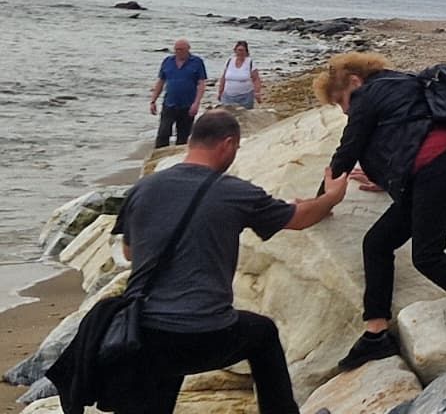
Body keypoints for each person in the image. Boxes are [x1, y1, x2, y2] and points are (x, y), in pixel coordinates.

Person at [108, 110, 348, 414]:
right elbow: (299, 219)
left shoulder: (143, 188)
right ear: (228, 144)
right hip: (203, 334)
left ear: (192, 142)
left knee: (160, 370)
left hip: (142, 331)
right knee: (262, 334)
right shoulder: (234, 192)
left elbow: (130, 253)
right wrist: (331, 197)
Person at [314, 52, 446, 371]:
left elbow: (348, 149)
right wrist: (388, 180)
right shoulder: (399, 83)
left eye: (341, 100)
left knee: (427, 255)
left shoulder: (368, 94)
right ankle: (376, 334)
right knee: (377, 243)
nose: (344, 109)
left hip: (439, 171)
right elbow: (406, 134)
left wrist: (320, 202)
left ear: (355, 82)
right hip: (443, 170)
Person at [150, 40, 208, 148]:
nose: (178, 52)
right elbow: (161, 81)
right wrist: (153, 100)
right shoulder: (168, 61)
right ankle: (159, 158)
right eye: (176, 49)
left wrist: (196, 103)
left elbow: (201, 84)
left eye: (181, 49)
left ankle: (178, 161)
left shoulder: (197, 62)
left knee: (183, 136)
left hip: (188, 105)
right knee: (163, 133)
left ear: (188, 49)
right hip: (169, 103)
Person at [217, 40, 264, 109]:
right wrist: (220, 91)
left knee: (245, 117)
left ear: (246, 51)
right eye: (239, 50)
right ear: (235, 50)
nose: (240, 52)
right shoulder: (229, 61)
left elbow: (256, 79)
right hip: (228, 96)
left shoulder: (250, 62)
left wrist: (257, 93)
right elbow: (223, 78)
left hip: (245, 96)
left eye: (242, 50)